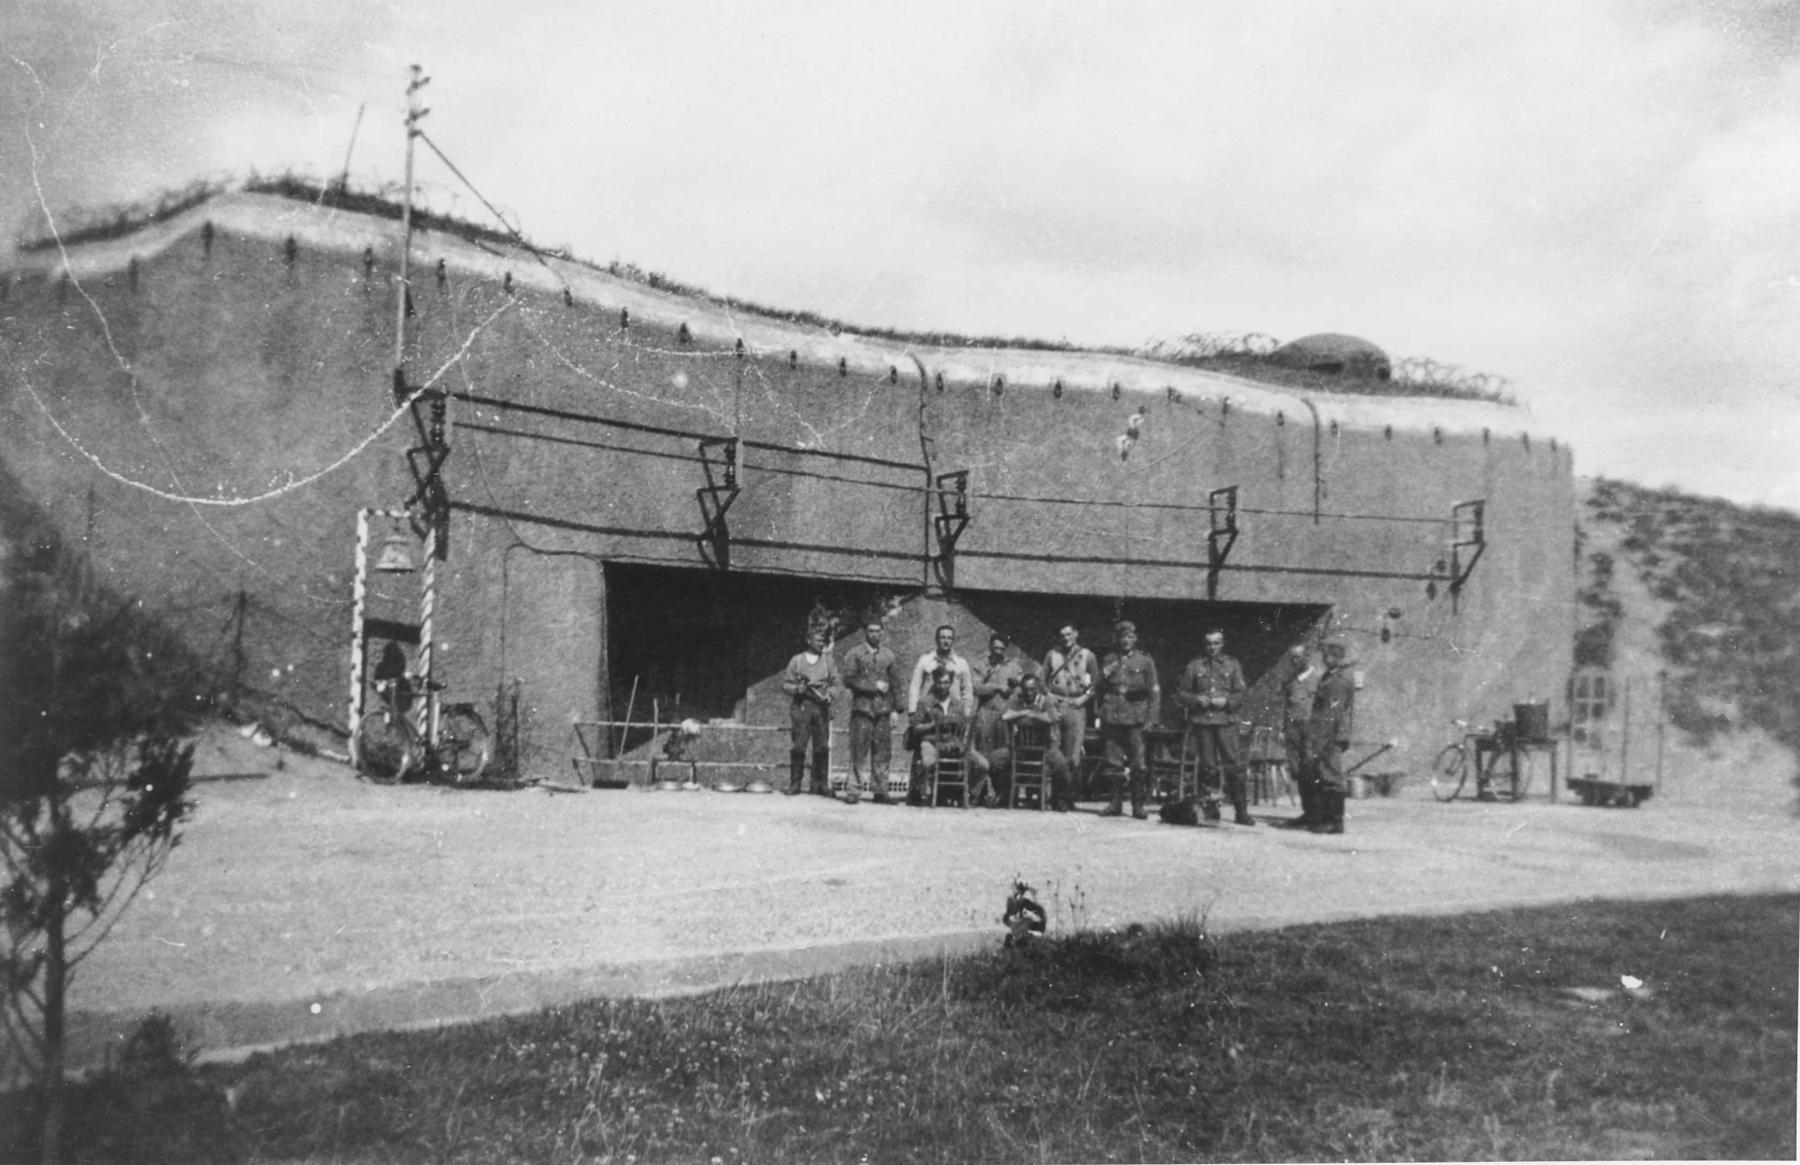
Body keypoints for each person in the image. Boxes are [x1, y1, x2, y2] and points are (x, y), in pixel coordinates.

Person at [1175, 628, 1252, 825]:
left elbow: (1242, 694)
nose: (1212, 647)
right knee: (1208, 767)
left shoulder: (1232, 665)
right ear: (1204, 645)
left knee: (1233, 766)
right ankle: (1210, 811)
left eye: (1216, 643)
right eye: (1209, 643)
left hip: (1226, 722)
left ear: (1222, 644)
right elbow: (1182, 694)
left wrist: (1226, 701)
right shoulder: (1194, 666)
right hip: (1204, 723)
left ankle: (1241, 812)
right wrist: (1196, 700)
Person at [1095, 621, 1161, 819]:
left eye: (1130, 637)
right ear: (1118, 639)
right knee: (1112, 761)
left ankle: (1137, 805)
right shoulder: (1109, 659)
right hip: (1113, 717)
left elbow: (1154, 692)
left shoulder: (1145, 661)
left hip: (1135, 718)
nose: (1126, 640)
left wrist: (1151, 719)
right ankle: (1115, 803)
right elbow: (1098, 688)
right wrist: (1100, 712)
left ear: (1135, 639)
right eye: (1122, 637)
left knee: (1138, 764)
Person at [904, 667, 989, 805]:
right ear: (934, 682)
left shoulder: (958, 704)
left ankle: (968, 794)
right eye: (940, 682)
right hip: (931, 742)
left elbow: (963, 728)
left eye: (946, 683)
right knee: (927, 762)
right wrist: (933, 725)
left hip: (953, 743)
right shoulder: (925, 702)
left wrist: (960, 726)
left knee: (982, 764)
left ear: (951, 683)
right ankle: (926, 793)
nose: (943, 686)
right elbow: (916, 728)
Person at [841, 618, 902, 804]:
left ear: (882, 632)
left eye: (878, 631)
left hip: (883, 710)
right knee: (858, 750)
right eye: (871, 631)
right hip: (862, 710)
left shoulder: (888, 655)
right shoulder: (855, 653)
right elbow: (848, 679)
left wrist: (896, 709)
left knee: (882, 752)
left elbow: (895, 683)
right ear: (865, 632)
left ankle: (881, 790)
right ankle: (853, 790)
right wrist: (872, 685)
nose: (875, 634)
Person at [1307, 638, 1358, 834]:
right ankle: (1325, 818)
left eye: (1327, 655)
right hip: (1326, 734)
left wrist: (1320, 741)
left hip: (1332, 736)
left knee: (1331, 776)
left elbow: (1332, 715)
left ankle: (1335, 822)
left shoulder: (1337, 682)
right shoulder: (1329, 677)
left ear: (1336, 658)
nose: (1324, 659)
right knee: (1324, 774)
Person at [780, 625, 838, 796]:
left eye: (823, 641)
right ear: (808, 640)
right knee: (799, 746)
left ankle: (821, 785)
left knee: (822, 747)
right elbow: (785, 684)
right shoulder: (797, 660)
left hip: (821, 708)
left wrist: (829, 695)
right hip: (802, 706)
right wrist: (797, 689)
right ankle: (795, 784)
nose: (821, 644)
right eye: (818, 640)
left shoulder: (828, 662)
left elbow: (837, 684)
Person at [1001, 672, 1072, 810]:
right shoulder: (1017, 698)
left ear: (1038, 688)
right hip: (1020, 749)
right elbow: (1005, 716)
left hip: (1045, 748)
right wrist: (1023, 712)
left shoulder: (1046, 700)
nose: (1029, 693)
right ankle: (1006, 796)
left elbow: (1052, 718)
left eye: (1032, 689)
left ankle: (1059, 799)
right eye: (1026, 689)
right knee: (995, 760)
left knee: (1062, 766)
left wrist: (1034, 715)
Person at [1042, 623, 1098, 792]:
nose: (1065, 638)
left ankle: (1067, 795)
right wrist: (1049, 695)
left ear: (1075, 634)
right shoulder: (1052, 654)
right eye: (1062, 635)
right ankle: (1052, 794)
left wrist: (1084, 698)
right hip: (1055, 705)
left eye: (1068, 634)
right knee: (1053, 749)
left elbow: (1096, 683)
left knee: (1073, 753)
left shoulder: (1087, 655)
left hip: (1075, 705)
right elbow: (1041, 681)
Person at [970, 633, 1026, 806]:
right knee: (983, 752)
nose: (998, 651)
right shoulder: (981, 664)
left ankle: (1003, 795)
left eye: (1001, 648)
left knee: (1003, 754)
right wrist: (996, 687)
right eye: (995, 648)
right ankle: (980, 793)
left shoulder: (1013, 666)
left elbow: (1021, 688)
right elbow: (977, 687)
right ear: (990, 647)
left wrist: (1013, 692)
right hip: (985, 712)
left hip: (1004, 714)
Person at [1278, 643, 1320, 829]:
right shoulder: (1290, 681)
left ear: (1307, 657)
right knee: (1297, 771)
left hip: (1310, 730)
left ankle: (1316, 814)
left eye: (1298, 657)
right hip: (1292, 730)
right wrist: (1282, 729)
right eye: (1292, 658)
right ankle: (1307, 812)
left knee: (1311, 770)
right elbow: (1285, 706)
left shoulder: (1318, 679)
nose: (1294, 661)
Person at [906, 624, 974, 714]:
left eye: (949, 638)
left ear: (953, 640)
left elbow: (967, 691)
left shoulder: (961, 663)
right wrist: (912, 710)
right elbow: (915, 686)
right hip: (929, 711)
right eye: (943, 638)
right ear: (936, 639)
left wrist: (966, 713)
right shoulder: (925, 660)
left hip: (953, 712)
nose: (946, 641)